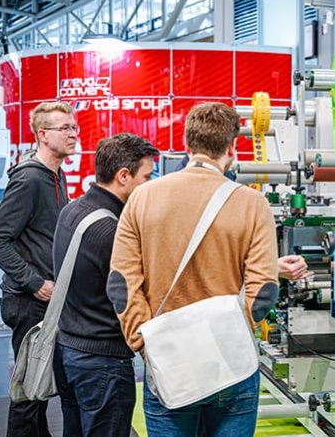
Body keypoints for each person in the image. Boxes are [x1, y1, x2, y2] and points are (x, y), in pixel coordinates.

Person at [107, 102, 279, 437]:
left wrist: (143, 341)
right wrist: (230, 335)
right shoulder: (252, 203)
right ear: (232, 147)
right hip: (232, 366)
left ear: (188, 146)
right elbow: (263, 293)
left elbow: (121, 285)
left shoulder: (143, 197)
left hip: (169, 362)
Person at [51, 133, 159, 437]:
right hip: (103, 364)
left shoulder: (72, 211)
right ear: (123, 176)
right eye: (147, 176)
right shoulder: (110, 232)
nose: (150, 185)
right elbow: (132, 295)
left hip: (70, 352)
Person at [0, 101, 77, 437]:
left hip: (46, 303)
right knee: (28, 392)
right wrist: (34, 281)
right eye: (64, 128)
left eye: (73, 126)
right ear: (42, 134)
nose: (73, 133)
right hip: (29, 303)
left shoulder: (56, 175)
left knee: (37, 389)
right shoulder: (30, 180)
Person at [175, 151, 311, 283]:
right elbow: (204, 261)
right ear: (230, 149)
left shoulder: (222, 181)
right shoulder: (190, 193)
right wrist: (270, 268)